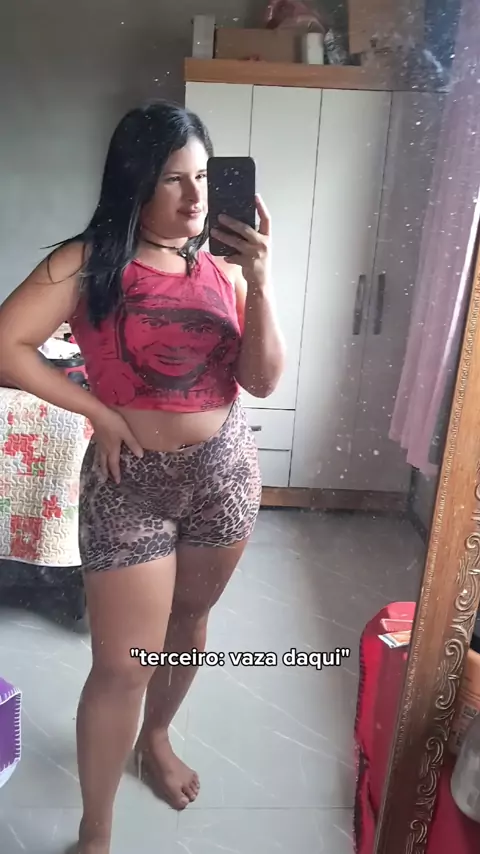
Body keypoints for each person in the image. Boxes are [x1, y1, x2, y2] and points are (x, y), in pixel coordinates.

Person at [0, 100, 285, 854]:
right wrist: (96, 409)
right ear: (135, 181)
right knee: (122, 666)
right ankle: (95, 833)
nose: (195, 199)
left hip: (223, 477)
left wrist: (261, 278)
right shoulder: (88, 260)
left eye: (203, 178)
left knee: (189, 625)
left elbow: (261, 380)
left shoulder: (223, 266)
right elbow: (7, 344)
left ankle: (155, 737)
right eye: (173, 179)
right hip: (129, 487)